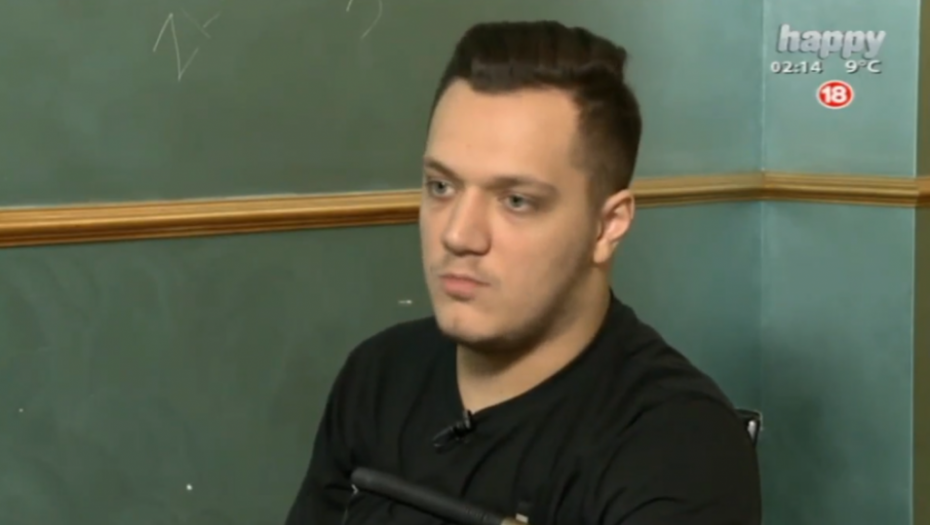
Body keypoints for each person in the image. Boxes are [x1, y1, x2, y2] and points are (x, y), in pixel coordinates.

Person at [285, 20, 762, 525]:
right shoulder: (378, 377)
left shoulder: (681, 447)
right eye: (441, 187)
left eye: (516, 201)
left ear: (607, 226)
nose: (459, 235)